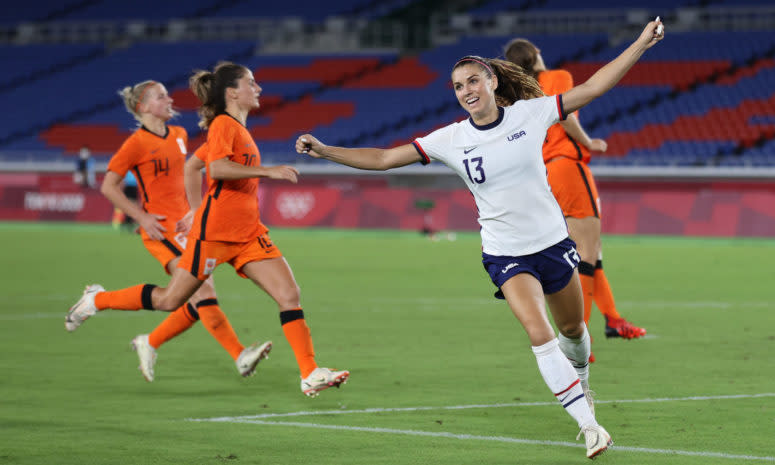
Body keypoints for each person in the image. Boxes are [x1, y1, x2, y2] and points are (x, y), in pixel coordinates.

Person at [294, 19, 664, 458]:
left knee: (573, 330)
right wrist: (326, 150)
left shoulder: (532, 112)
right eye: (457, 86)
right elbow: (384, 157)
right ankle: (588, 426)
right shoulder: (451, 138)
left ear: (492, 81)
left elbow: (594, 86)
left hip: (552, 243)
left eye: (473, 80)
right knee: (539, 333)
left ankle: (581, 383)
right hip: (506, 254)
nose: (466, 90)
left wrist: (641, 42)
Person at [66, 64, 349, 398]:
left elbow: (193, 166)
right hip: (214, 236)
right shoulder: (223, 125)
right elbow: (216, 168)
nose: (258, 88)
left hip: (247, 234)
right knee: (172, 300)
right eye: (251, 83)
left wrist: (194, 209)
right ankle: (97, 300)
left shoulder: (231, 128)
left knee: (289, 295)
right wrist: (267, 171)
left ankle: (309, 373)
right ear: (232, 92)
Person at [73, 79, 272, 383]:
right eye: (161, 96)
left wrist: (195, 212)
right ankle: (240, 355)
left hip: (187, 227)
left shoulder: (179, 135)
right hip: (161, 231)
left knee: (185, 301)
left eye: (167, 95)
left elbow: (188, 176)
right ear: (143, 107)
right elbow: (108, 186)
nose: (169, 100)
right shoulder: (135, 144)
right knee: (202, 292)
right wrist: (142, 217)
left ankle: (143, 337)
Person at [503, 38, 647, 354]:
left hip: (547, 172)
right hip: (567, 165)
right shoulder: (558, 77)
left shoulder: (518, 95)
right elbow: (564, 114)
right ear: (537, 52)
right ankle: (578, 337)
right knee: (586, 251)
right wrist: (590, 142)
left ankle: (612, 320)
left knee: (590, 250)